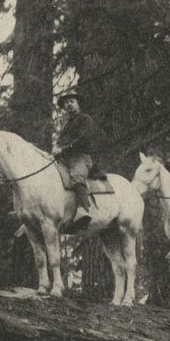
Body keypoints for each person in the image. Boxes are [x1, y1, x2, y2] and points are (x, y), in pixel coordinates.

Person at [55, 91, 102, 235]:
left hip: (80, 157)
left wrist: (65, 149)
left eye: (71, 101)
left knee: (76, 176)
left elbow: (84, 139)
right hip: (64, 159)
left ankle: (85, 210)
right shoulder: (66, 125)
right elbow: (60, 143)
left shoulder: (85, 119)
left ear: (78, 103)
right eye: (66, 102)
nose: (68, 104)